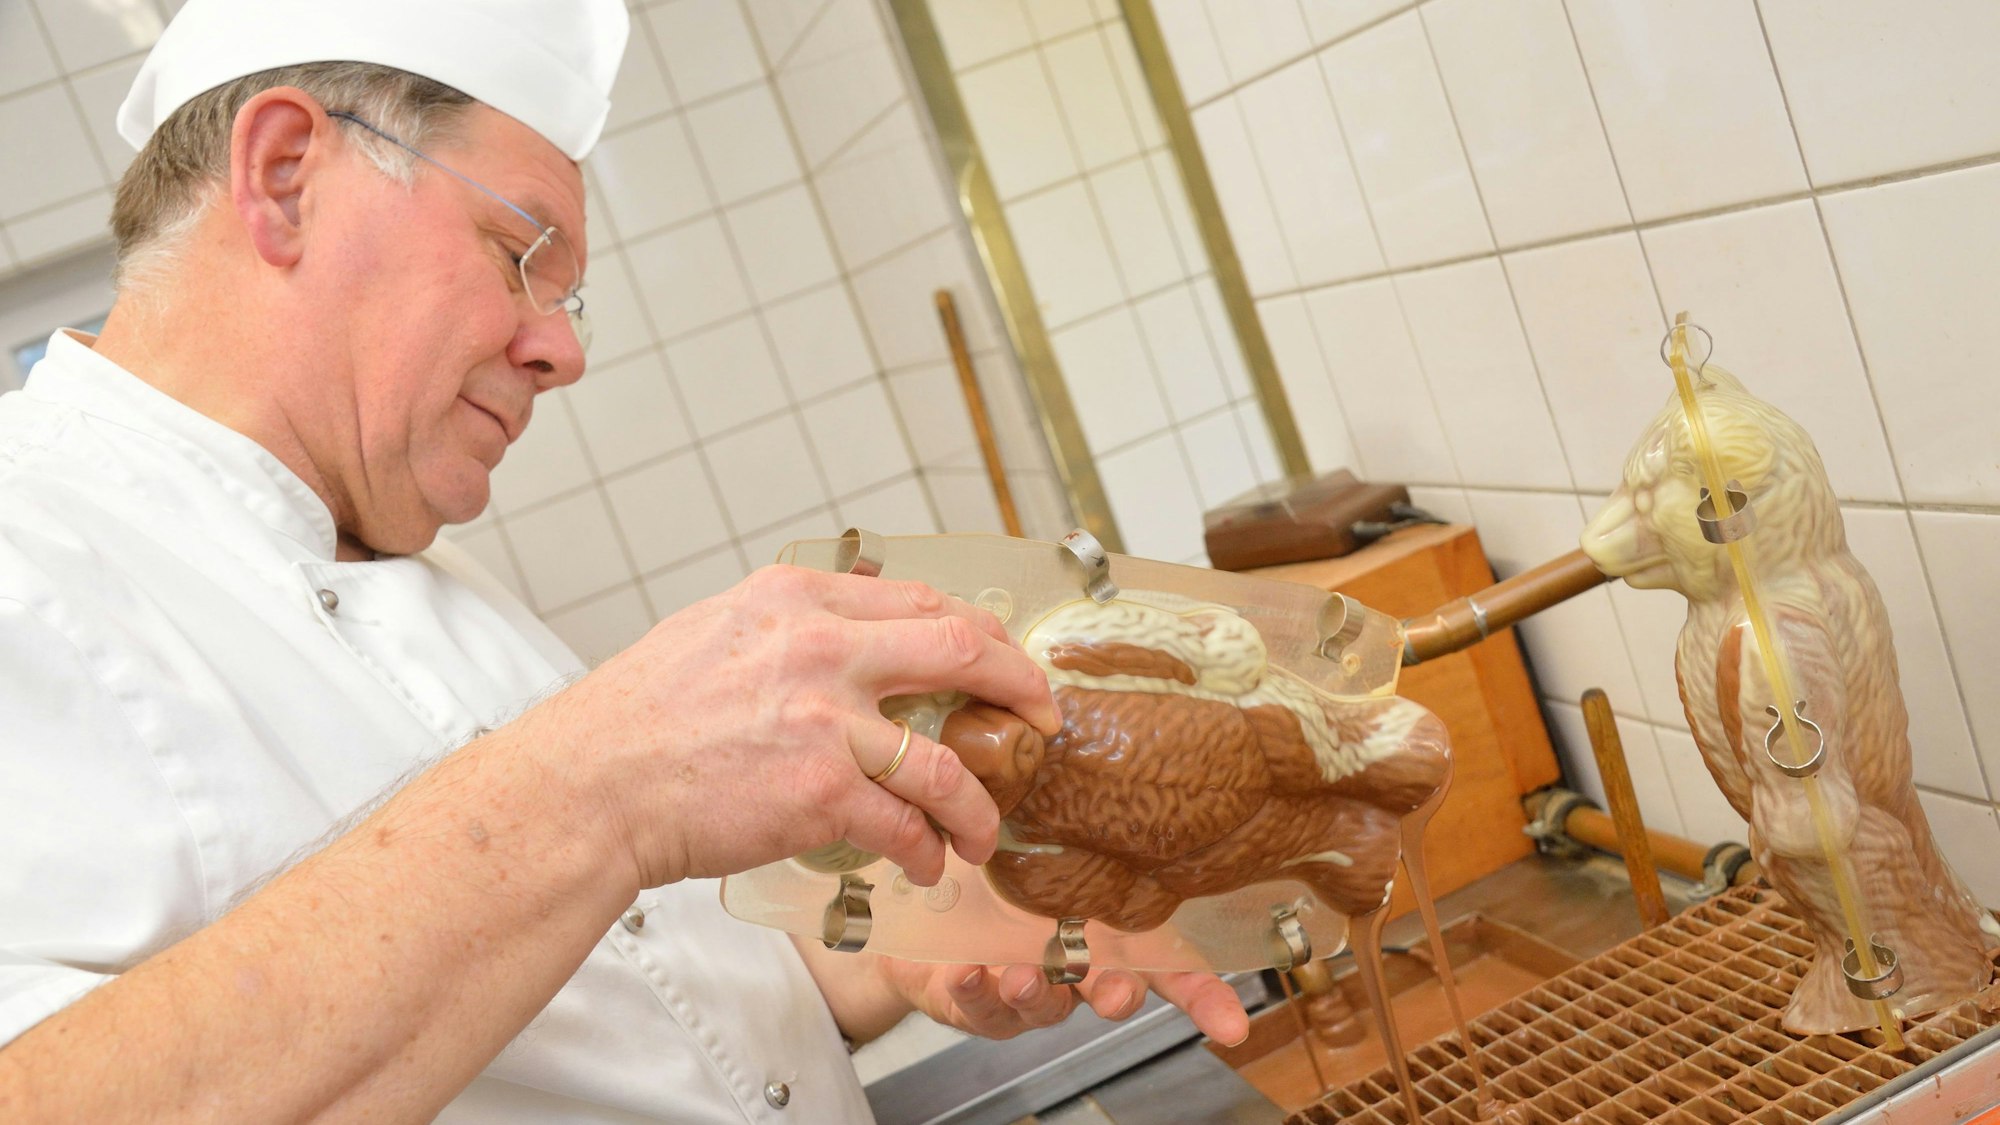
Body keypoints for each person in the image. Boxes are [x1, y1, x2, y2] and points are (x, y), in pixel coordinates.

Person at [0, 1, 1247, 1121]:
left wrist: (907, 944)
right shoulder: (28, 549)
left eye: (569, 296)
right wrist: (604, 783)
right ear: (282, 177)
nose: (560, 350)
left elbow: (647, 999)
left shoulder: (409, 559)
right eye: (518, 254)